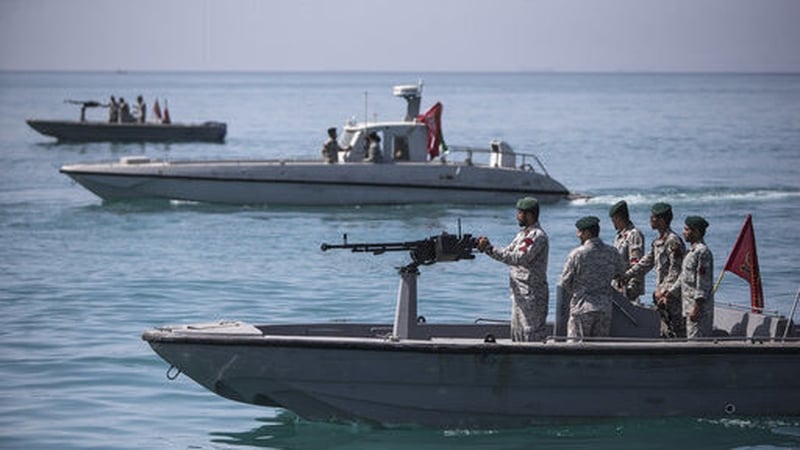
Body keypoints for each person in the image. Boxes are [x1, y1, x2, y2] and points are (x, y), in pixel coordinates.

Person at [476, 196, 549, 342]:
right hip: (520, 294)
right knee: (517, 334)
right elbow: (508, 252)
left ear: (529, 215)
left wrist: (490, 249)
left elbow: (518, 258)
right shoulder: (523, 235)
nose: (517, 216)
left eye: (520, 213)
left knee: (530, 334)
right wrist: (486, 248)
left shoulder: (536, 236)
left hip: (531, 295)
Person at [559, 216, 626, 339]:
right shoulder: (612, 252)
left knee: (576, 349)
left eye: (580, 231)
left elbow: (564, 282)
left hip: (582, 307)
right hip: (604, 309)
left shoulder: (577, 254)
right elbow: (621, 273)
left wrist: (577, 292)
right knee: (599, 350)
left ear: (587, 233)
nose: (577, 234)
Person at [625, 202, 686, 337]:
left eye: (653, 217)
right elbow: (645, 263)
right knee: (665, 330)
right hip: (662, 295)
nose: (650, 220)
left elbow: (676, 270)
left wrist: (664, 291)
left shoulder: (673, 241)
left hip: (673, 295)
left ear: (662, 220)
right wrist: (626, 276)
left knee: (677, 330)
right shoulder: (658, 242)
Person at [666, 216, 714, 338]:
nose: (684, 232)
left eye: (687, 229)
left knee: (697, 345)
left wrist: (696, 308)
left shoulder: (702, 252)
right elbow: (684, 277)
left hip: (698, 311)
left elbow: (703, 283)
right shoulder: (691, 252)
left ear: (696, 232)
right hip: (688, 307)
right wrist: (669, 293)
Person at [609, 200, 646, 302]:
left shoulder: (634, 235)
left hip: (627, 289)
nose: (613, 223)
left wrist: (631, 288)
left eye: (613, 220)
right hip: (618, 286)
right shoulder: (619, 236)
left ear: (618, 218)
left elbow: (636, 263)